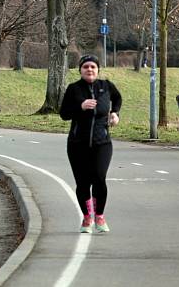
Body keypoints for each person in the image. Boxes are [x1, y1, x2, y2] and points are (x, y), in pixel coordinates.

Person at [60, 54, 122, 234]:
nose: (89, 69)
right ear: (80, 70)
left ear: (98, 70)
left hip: (102, 142)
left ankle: (100, 216)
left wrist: (115, 113)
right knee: (82, 182)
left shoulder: (106, 86)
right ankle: (87, 218)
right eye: (86, 67)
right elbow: (64, 113)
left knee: (99, 177)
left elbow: (117, 99)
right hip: (77, 143)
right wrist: (80, 107)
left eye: (93, 67)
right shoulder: (74, 89)